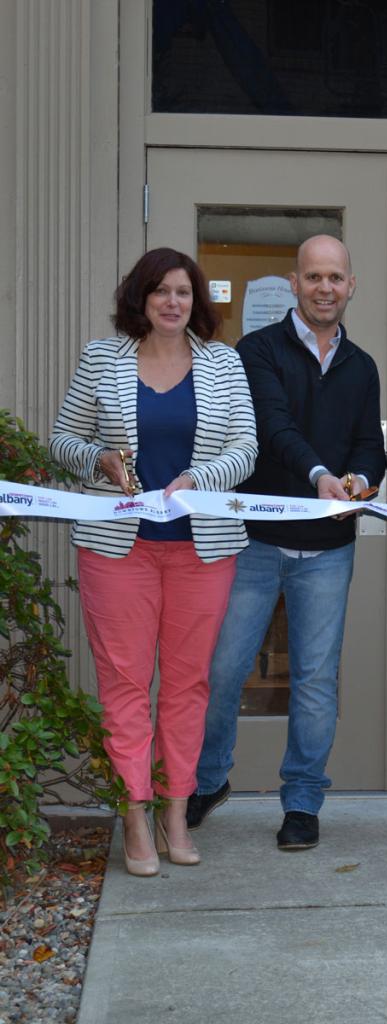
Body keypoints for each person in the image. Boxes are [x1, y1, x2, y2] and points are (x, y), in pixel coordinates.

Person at [50, 248, 258, 876]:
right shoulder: (100, 358)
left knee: (190, 686)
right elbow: (65, 438)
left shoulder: (224, 363)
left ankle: (175, 812)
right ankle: (134, 817)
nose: (174, 302)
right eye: (161, 291)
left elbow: (247, 446)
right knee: (124, 686)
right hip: (118, 550)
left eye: (185, 292)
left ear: (198, 301)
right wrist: (100, 463)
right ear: (140, 298)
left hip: (202, 550)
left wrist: (200, 477)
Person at [187, 235, 385, 850]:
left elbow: (367, 443)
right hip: (255, 542)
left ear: (352, 286)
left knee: (316, 681)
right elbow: (273, 429)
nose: (325, 287)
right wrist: (322, 476)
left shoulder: (363, 365)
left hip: (329, 549)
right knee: (222, 671)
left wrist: (362, 478)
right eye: (313, 276)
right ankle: (209, 777)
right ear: (294, 284)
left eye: (336, 277)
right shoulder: (258, 351)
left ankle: (302, 801)